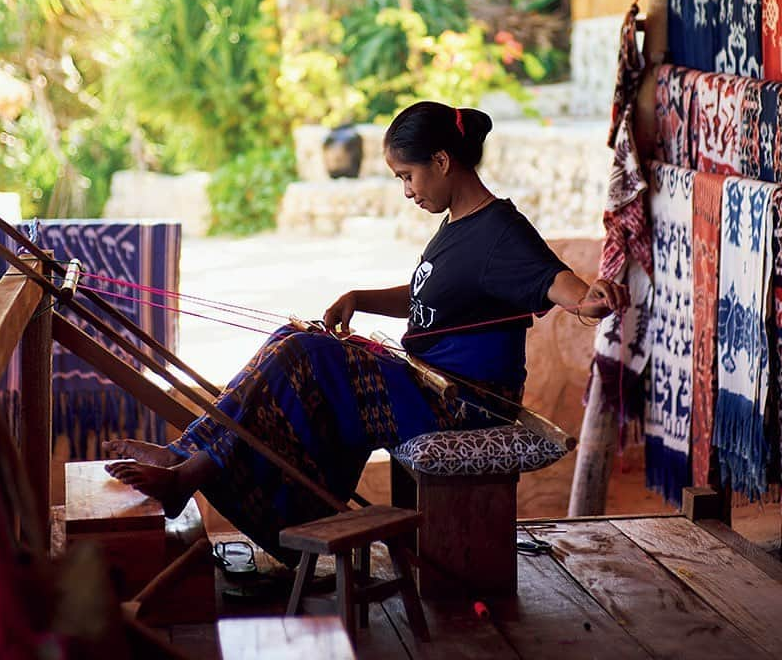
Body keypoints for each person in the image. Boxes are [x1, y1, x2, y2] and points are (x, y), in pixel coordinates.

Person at [104, 100, 628, 564]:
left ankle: (189, 474)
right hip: (428, 384)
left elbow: (564, 286)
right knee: (293, 339)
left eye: (408, 176)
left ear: (442, 162)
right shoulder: (457, 225)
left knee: (304, 355)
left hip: (463, 403)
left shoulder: (502, 233)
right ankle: (188, 455)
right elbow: (428, 296)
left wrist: (592, 297)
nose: (406, 191)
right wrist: (361, 298)